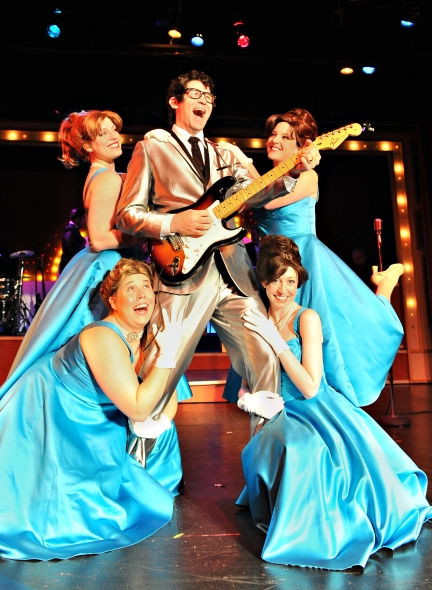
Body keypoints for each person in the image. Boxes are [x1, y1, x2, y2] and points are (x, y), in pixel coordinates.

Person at [115, 70, 321, 435]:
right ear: (175, 101)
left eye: (210, 97)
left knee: (265, 356)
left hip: (235, 273)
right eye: (195, 94)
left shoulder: (225, 152)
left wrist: (291, 173)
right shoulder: (152, 146)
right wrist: (172, 224)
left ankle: (269, 471)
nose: (204, 101)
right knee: (164, 367)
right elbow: (127, 215)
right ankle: (145, 473)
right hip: (179, 269)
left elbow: (257, 191)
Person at [236, 235, 432, 570]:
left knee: (307, 450)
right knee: (281, 444)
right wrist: (248, 401)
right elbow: (242, 382)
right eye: (276, 280)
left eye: (291, 281)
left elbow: (312, 387)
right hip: (277, 412)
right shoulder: (253, 319)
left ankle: (316, 533)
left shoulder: (306, 318)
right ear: (264, 280)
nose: (283, 290)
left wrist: (275, 342)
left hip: (316, 409)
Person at [0, 109, 191, 408]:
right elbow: (100, 238)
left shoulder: (107, 175)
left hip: (113, 261)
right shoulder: (105, 180)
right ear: (88, 145)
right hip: (110, 265)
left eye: (114, 130)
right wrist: (147, 233)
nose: (114, 137)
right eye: (104, 133)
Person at [0, 259, 185, 561]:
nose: (142, 294)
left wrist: (163, 362)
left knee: (164, 434)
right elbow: (139, 408)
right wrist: (168, 356)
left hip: (90, 416)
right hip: (48, 408)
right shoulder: (102, 336)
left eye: (146, 287)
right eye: (131, 288)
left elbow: (166, 401)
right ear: (113, 300)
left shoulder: (149, 335)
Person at [226, 108, 404, 408]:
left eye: (286, 136)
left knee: (337, 325)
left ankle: (384, 287)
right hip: (270, 263)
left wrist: (244, 164)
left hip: (302, 258)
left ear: (301, 147)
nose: (274, 140)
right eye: (272, 134)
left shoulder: (308, 177)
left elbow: (267, 201)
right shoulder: (262, 180)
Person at [59, 207, 87, 273]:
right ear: (78, 218)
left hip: (71, 266)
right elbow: (71, 249)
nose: (84, 221)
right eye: (84, 218)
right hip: (70, 268)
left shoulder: (72, 230)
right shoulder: (70, 231)